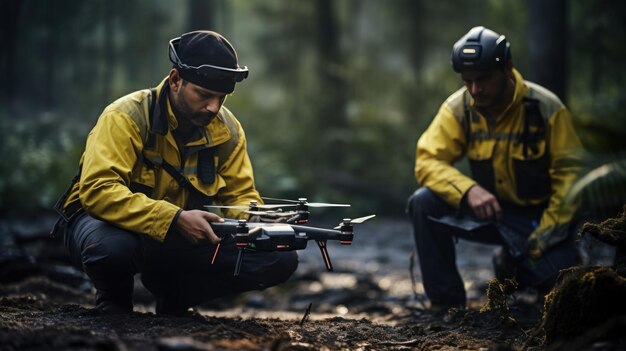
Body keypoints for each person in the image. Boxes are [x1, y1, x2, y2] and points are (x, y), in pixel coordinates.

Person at [51, 30, 298, 315]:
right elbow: (97, 191)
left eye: (222, 97)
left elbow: (239, 199)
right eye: (204, 95)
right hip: (107, 227)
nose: (213, 107)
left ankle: (176, 297)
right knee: (112, 249)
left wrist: (264, 222)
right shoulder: (125, 116)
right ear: (175, 80)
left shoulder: (227, 131)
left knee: (279, 259)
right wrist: (175, 218)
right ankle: (113, 301)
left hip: (181, 235)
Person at [407, 26, 583, 311]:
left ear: (507, 69)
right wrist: (468, 191)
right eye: (467, 81)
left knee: (564, 283)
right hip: (487, 212)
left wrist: (543, 238)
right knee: (423, 202)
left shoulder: (546, 109)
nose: (475, 90)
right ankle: (446, 305)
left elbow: (571, 181)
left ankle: (512, 265)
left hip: (538, 221)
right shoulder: (459, 108)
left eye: (483, 80)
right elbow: (427, 160)